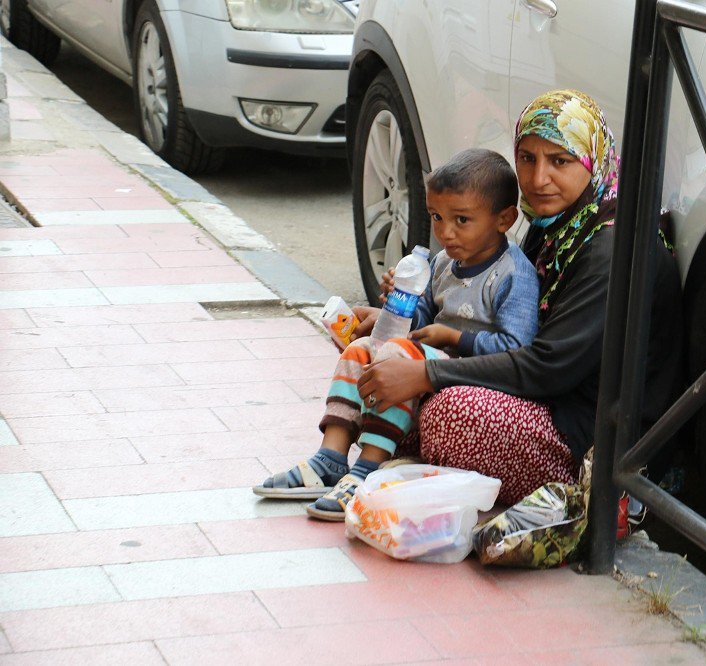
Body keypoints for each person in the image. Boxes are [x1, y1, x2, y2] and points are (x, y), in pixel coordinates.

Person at [354, 89, 682, 507]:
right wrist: (400, 323)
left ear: (592, 160)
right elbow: (494, 317)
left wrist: (426, 377)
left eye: (559, 161)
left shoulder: (611, 248)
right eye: (527, 158)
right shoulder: (558, 222)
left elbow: (547, 367)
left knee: (449, 413)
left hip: (594, 442)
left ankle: (430, 459)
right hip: (544, 402)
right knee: (377, 356)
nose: (537, 178)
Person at [253, 148, 540, 518]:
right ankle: (331, 458)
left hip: (475, 375)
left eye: (462, 220)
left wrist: (453, 338)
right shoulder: (442, 264)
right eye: (437, 217)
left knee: (395, 356)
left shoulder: (513, 274)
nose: (445, 232)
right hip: (429, 361)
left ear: (504, 219)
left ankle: (368, 469)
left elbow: (517, 347)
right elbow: (420, 321)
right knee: (360, 350)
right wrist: (395, 306)